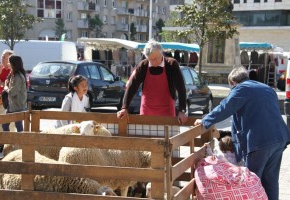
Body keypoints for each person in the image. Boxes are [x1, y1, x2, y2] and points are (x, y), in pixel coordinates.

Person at [194, 66, 290, 200]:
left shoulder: (241, 89)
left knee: (250, 182)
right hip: (279, 138)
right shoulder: (267, 88)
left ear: (233, 82)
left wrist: (205, 121)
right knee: (271, 181)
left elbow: (225, 107)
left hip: (259, 142)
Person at [117, 39, 187, 124]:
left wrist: (182, 110)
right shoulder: (143, 65)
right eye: (151, 59)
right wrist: (124, 108)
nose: (154, 62)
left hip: (167, 110)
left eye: (156, 58)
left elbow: (181, 88)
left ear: (162, 53)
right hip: (146, 110)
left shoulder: (172, 64)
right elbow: (132, 87)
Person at [0, 50, 16, 153]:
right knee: (0, 122)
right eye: (2, 56)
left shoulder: (13, 69)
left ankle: (10, 145)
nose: (2, 58)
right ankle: (2, 144)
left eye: (4, 57)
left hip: (9, 99)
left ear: (10, 58)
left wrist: (2, 84)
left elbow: (9, 84)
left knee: (10, 123)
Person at [2, 55, 27, 133]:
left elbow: (13, 92)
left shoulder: (18, 76)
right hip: (12, 105)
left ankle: (21, 143)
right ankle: (9, 143)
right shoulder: (13, 74)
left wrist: (5, 87)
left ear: (13, 64)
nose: (8, 64)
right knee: (5, 125)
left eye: (9, 62)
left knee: (19, 128)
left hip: (17, 106)